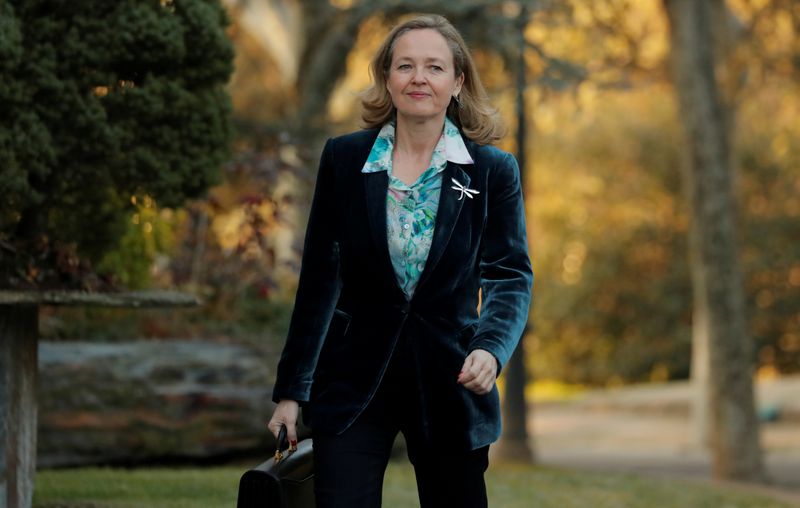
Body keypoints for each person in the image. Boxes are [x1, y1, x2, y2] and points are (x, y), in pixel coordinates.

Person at [267, 13, 533, 508]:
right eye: (405, 66)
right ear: (387, 78)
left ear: (457, 82)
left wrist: (491, 348)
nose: (418, 78)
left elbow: (509, 273)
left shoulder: (492, 171)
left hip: (452, 381)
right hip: (353, 381)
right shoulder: (344, 160)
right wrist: (291, 390)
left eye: (434, 67)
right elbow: (321, 279)